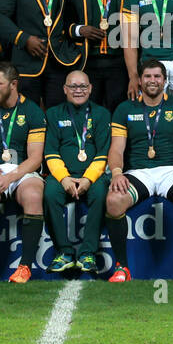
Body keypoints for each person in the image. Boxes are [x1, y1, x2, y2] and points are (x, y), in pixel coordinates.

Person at [105, 59, 173, 280]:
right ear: (139, 81)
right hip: (138, 172)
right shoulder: (125, 109)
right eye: (148, 77)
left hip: (172, 171)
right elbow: (117, 148)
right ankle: (122, 268)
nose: (153, 81)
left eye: (157, 77)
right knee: (113, 200)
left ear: (165, 80)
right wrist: (117, 172)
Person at [0, 62, 47, 283]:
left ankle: (25, 267)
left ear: (13, 84)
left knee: (34, 195)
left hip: (23, 169)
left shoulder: (32, 111)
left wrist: (10, 178)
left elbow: (35, 158)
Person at [44, 70, 114, 276]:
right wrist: (64, 179)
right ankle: (64, 252)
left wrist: (87, 179)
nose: (78, 91)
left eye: (83, 86)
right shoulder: (53, 114)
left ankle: (87, 254)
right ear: (65, 89)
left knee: (100, 193)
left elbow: (103, 153)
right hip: (62, 176)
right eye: (73, 86)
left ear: (91, 88)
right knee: (49, 193)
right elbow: (50, 151)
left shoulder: (101, 114)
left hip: (91, 175)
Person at [65, 0, 129, 108]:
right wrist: (80, 30)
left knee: (117, 111)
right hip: (88, 62)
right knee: (90, 112)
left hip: (119, 63)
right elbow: (65, 24)